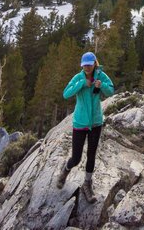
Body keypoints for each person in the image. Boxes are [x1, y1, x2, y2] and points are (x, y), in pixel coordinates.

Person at [56, 51, 114, 203]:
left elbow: (111, 91)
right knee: (76, 157)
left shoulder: (101, 76)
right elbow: (66, 94)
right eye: (84, 65)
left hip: (96, 122)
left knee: (91, 155)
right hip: (80, 122)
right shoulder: (78, 78)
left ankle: (87, 184)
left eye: (89, 64)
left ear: (94, 63)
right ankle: (66, 170)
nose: (87, 67)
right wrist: (82, 84)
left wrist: (102, 86)